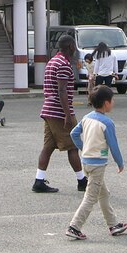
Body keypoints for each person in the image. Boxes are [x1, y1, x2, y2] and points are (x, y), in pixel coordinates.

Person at [65, 85, 127, 240]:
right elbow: (113, 145)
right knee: (91, 197)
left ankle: (113, 224)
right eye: (112, 100)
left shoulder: (86, 118)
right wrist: (120, 163)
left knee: (104, 194)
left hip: (86, 162)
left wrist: (83, 147)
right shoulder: (107, 123)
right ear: (106, 103)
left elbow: (74, 133)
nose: (113, 102)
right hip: (97, 165)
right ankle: (74, 226)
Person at [33, 34, 87, 193]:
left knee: (48, 146)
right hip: (59, 111)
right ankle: (81, 181)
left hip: (48, 109)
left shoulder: (52, 61)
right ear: (70, 47)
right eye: (74, 46)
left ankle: (39, 180)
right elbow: (62, 90)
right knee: (73, 146)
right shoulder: (63, 64)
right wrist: (68, 115)